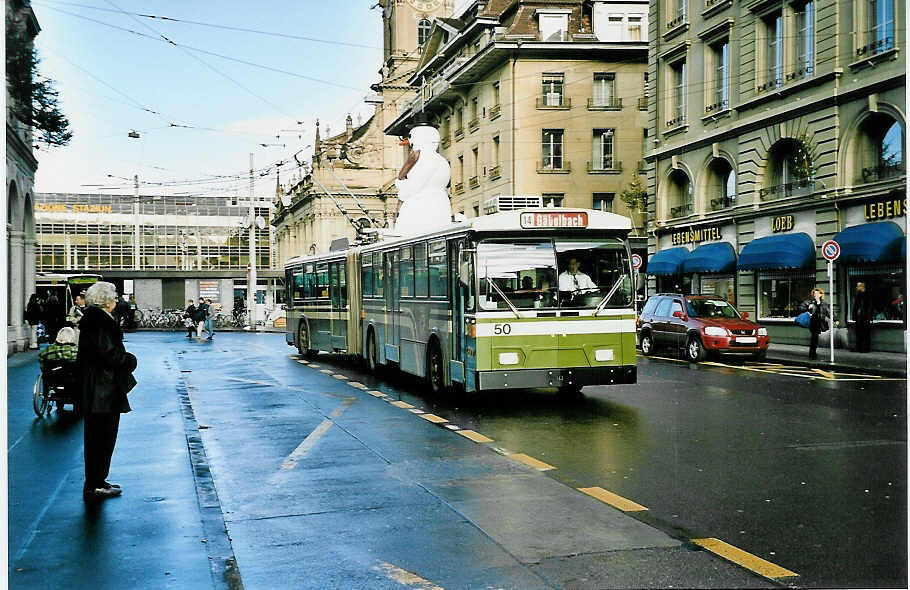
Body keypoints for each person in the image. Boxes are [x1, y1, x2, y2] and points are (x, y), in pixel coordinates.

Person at [78, 281, 137, 501]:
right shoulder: (101, 322)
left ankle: (97, 480)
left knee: (98, 438)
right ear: (106, 302)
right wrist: (129, 360)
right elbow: (110, 355)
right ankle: (95, 484)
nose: (116, 301)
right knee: (102, 438)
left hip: (97, 388)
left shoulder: (92, 320)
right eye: (113, 298)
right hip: (103, 389)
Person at [393, 124, 452, 236]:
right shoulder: (441, 160)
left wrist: (400, 181)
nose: (410, 146)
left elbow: (409, 190)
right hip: (440, 207)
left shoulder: (425, 159)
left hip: (420, 209)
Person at [807, 288, 830, 360]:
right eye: (814, 294)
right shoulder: (811, 303)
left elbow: (828, 312)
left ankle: (812, 353)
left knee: (815, 338)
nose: (815, 295)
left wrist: (835, 319)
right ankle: (812, 353)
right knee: (814, 337)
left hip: (820, 322)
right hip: (813, 322)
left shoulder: (824, 303)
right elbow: (804, 309)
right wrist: (809, 309)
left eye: (817, 294)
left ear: (820, 295)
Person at [852, 282, 872, 353]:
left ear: (861, 287)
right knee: (860, 333)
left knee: (864, 334)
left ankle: (864, 348)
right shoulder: (859, 295)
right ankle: (860, 348)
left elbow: (867, 307)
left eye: (858, 286)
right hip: (860, 318)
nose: (856, 288)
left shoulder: (865, 295)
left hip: (864, 317)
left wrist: (868, 316)